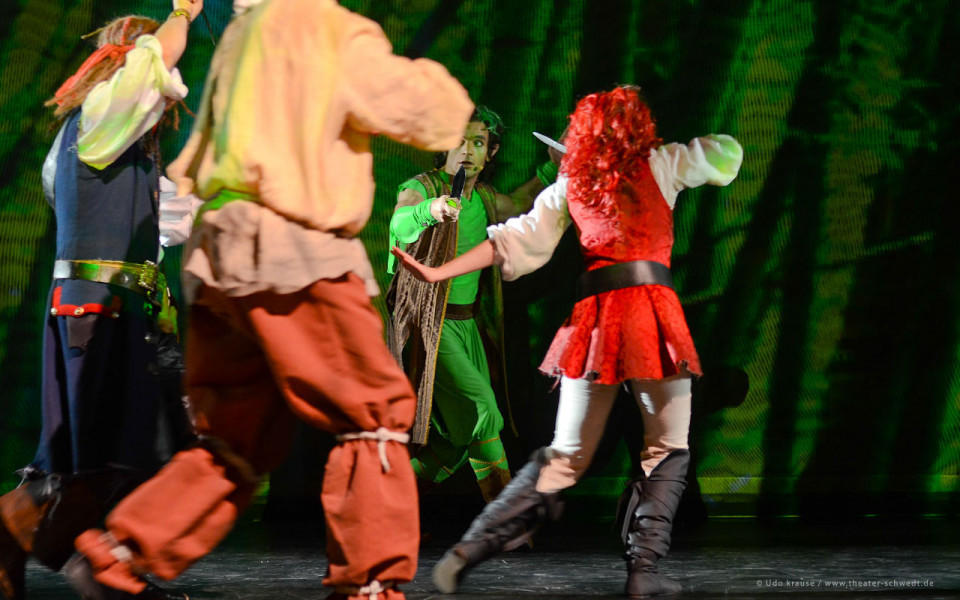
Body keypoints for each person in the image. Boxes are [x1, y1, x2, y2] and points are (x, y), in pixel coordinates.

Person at [64, 1, 473, 599]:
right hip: (292, 251)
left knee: (238, 437)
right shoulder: (325, 26)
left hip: (219, 254)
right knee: (373, 415)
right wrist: (444, 90)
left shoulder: (243, 34)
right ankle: (371, 585)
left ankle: (122, 552)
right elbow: (431, 117)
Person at [392, 85, 743, 598]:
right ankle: (643, 571)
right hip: (649, 318)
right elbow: (726, 156)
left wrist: (438, 269)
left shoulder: (570, 186)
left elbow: (513, 240)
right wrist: (667, 152)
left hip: (596, 322)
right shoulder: (659, 164)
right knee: (666, 447)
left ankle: (472, 547)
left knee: (565, 454)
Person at [0, 4, 202, 599]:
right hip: (98, 309)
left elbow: (168, 224)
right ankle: (73, 556)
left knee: (117, 453)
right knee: (104, 456)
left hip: (117, 308)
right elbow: (154, 60)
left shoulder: (108, 141)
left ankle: (91, 562)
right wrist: (183, 12)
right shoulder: (99, 115)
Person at [386, 107, 561, 504]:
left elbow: (519, 204)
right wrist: (430, 211)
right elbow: (400, 222)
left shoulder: (482, 198)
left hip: (468, 327)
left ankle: (383, 503)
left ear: (490, 152)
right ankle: (507, 518)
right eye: (458, 141)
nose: (466, 150)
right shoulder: (422, 188)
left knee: (457, 441)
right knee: (482, 412)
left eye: (478, 142)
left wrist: (552, 169)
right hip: (430, 326)